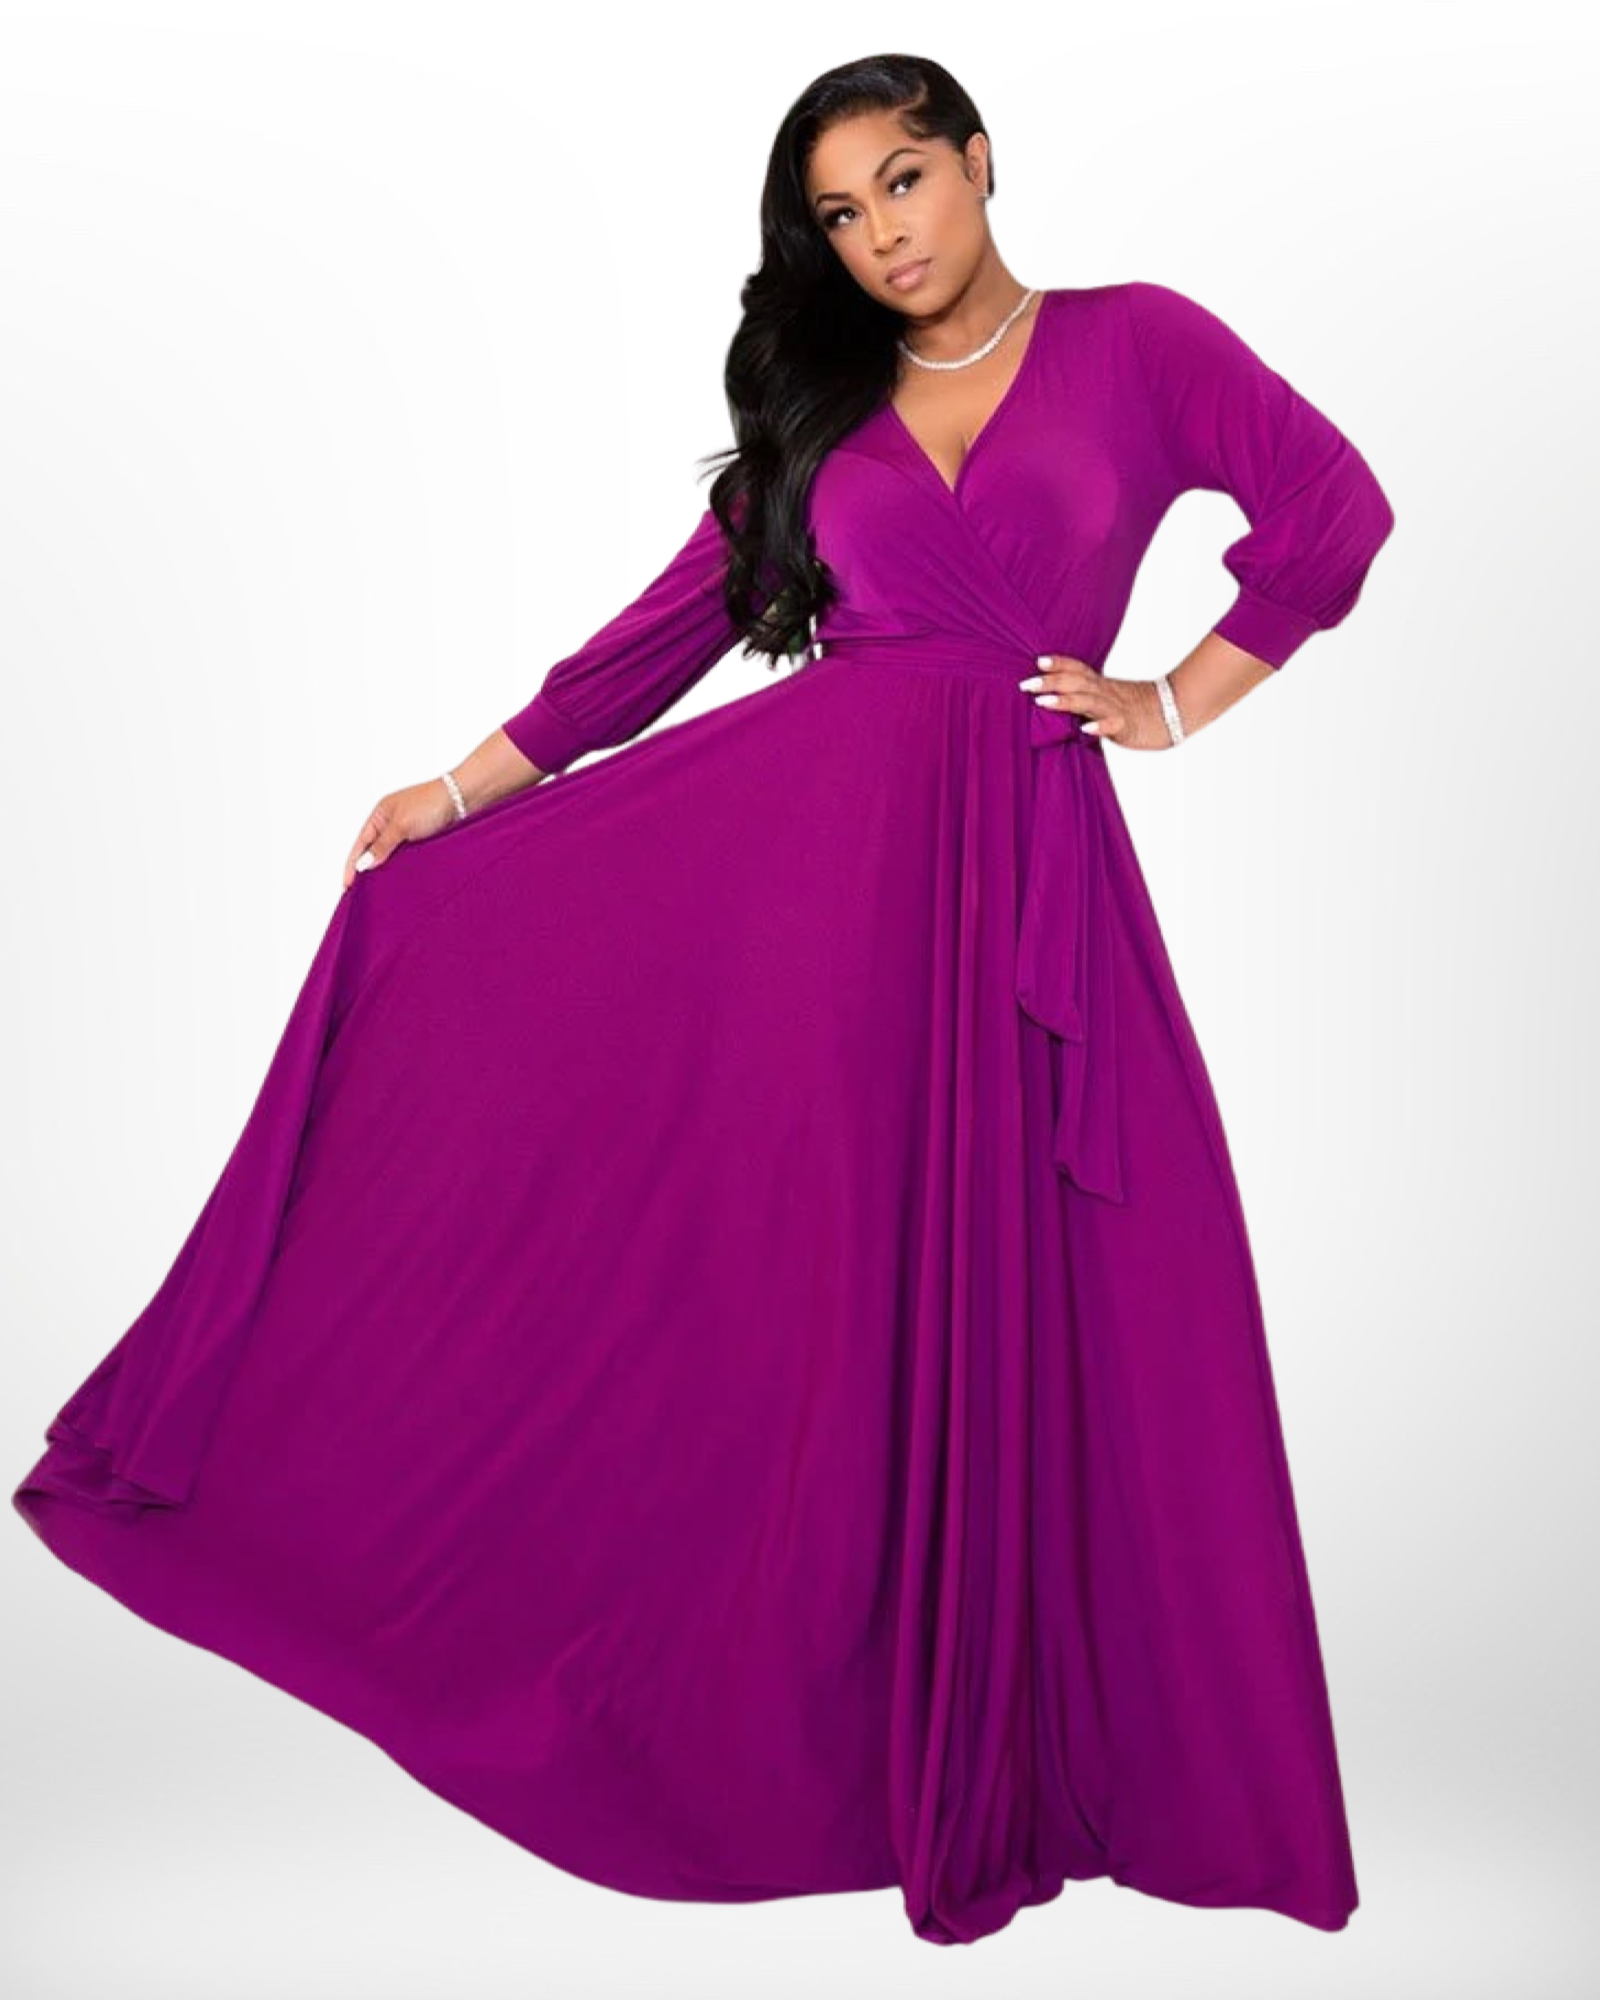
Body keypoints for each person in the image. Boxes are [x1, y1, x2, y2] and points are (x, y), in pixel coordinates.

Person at [12, 52, 1394, 1952]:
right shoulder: (825, 417)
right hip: (817, 913)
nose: (884, 233)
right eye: (841, 212)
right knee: (818, 1298)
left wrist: (1172, 699)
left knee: (1102, 1290)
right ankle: (797, 1719)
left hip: (1027, 890)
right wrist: (457, 792)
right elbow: (660, 641)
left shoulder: (1138, 343)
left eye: (905, 180)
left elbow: (1333, 510)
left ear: (980, 161)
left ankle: (1071, 1758)